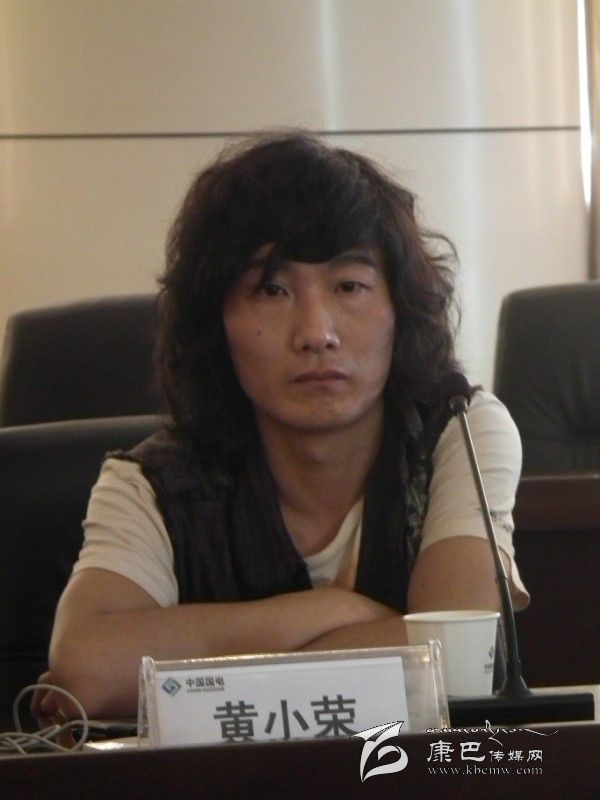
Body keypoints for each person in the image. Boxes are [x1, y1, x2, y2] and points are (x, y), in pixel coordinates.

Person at [36, 131, 528, 720]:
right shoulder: (152, 483)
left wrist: (189, 673)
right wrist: (336, 610)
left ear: (401, 308)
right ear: (216, 322)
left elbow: (459, 661)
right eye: (271, 289)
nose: (317, 332)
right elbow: (87, 669)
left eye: (350, 286)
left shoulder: (460, 433)